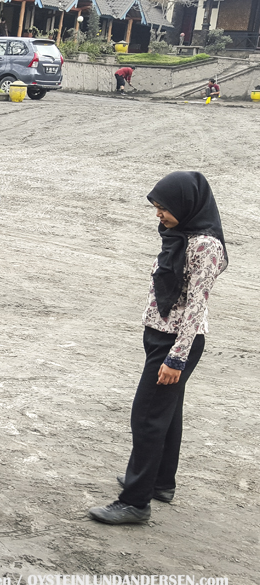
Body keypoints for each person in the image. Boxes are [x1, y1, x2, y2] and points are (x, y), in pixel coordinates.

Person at [89, 172, 228, 525]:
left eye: (164, 208)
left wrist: (176, 357)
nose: (158, 215)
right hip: (159, 335)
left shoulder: (205, 246)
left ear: (186, 205)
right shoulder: (178, 237)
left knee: (147, 417)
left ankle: (135, 502)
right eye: (156, 207)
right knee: (167, 414)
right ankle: (161, 483)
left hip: (177, 342)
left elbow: (196, 305)